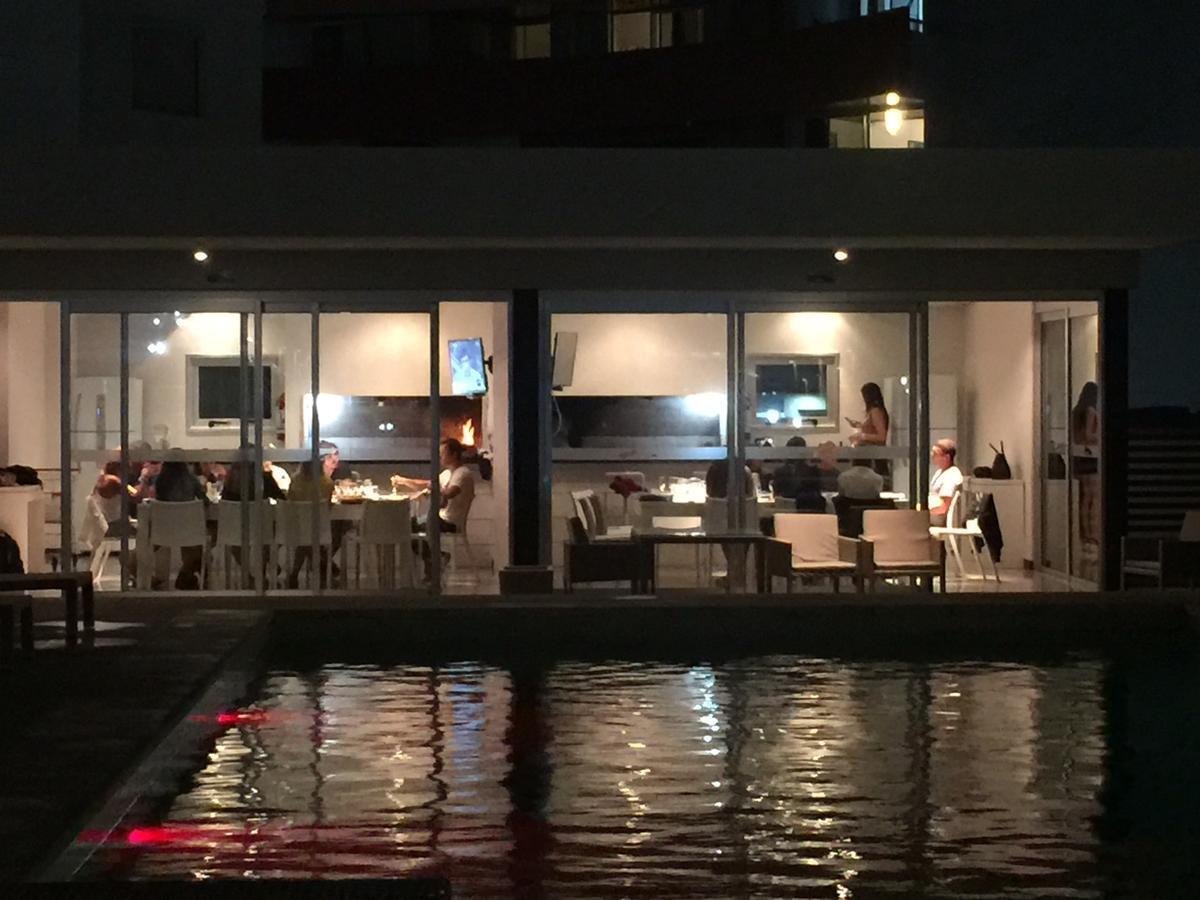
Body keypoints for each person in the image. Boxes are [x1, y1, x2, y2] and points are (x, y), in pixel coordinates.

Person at [394, 438, 476, 582]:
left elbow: (450, 492)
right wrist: (404, 481)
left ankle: (434, 564)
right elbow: (428, 484)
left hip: (451, 520)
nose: (440, 457)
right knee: (408, 526)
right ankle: (437, 558)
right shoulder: (447, 473)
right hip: (440, 517)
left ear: (454, 454)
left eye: (443, 453)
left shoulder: (463, 473)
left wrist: (434, 488)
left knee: (412, 526)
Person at [152, 457, 207, 589]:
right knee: (202, 538)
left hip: (163, 532)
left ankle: (147, 575)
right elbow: (204, 501)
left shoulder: (160, 480)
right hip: (188, 531)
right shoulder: (192, 479)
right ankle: (187, 572)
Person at [1071, 381, 1100, 545]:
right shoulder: (1090, 410)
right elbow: (1089, 435)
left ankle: (1084, 532)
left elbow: (1076, 437)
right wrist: (1101, 436)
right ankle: (1092, 533)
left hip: (1078, 458)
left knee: (1083, 498)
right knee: (1092, 498)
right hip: (1090, 458)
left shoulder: (1075, 412)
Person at [847, 382, 890, 482]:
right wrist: (859, 425)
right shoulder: (873, 411)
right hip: (869, 454)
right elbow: (872, 428)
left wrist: (861, 436)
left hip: (873, 455)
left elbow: (882, 436)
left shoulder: (875, 411)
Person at [771, 437, 825, 512]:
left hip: (784, 511)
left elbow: (776, 495)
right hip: (807, 512)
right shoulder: (813, 471)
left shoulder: (779, 472)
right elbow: (818, 493)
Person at [928, 438, 963, 526]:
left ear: (947, 457)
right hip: (930, 516)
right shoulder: (939, 472)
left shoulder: (952, 474)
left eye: (935, 454)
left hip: (938, 519)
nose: (932, 456)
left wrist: (924, 513)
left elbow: (944, 507)